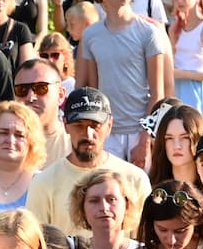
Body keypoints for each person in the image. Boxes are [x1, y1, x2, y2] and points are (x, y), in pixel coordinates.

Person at [74, 0, 169, 164]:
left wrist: (146, 139)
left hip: (139, 131)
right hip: (105, 130)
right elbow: (87, 88)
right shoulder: (91, 35)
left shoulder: (149, 32)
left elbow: (158, 93)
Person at [24, 87, 150, 233]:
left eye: (95, 126)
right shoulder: (44, 183)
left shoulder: (135, 179)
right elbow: (36, 243)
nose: (88, 134)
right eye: (79, 126)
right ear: (65, 125)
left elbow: (144, 244)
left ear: (109, 126)